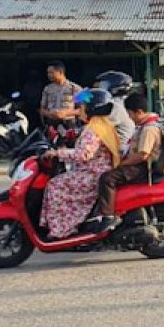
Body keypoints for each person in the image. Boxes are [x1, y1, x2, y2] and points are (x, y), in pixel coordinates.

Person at [83, 93, 164, 233]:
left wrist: (122, 164)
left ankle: (108, 216)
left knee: (107, 178)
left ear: (139, 112)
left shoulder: (149, 129)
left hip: (142, 167)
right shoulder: (145, 125)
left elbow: (142, 155)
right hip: (138, 164)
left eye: (130, 114)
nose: (130, 118)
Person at [38, 89, 121, 239]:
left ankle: (62, 230)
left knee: (54, 185)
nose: (79, 111)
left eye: (81, 107)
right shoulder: (103, 125)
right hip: (96, 171)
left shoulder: (93, 129)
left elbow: (84, 154)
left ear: (91, 109)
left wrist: (58, 153)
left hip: (91, 175)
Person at [94, 70, 137, 148]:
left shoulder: (116, 106)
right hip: (119, 146)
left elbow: (98, 126)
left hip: (119, 150)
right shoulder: (122, 101)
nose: (101, 87)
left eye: (104, 85)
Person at [40, 61, 82, 126]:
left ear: (60, 72)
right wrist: (49, 114)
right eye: (48, 73)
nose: (49, 75)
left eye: (51, 72)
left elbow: (84, 109)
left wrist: (66, 113)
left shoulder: (75, 88)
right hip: (52, 125)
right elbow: (42, 109)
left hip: (70, 125)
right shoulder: (47, 89)